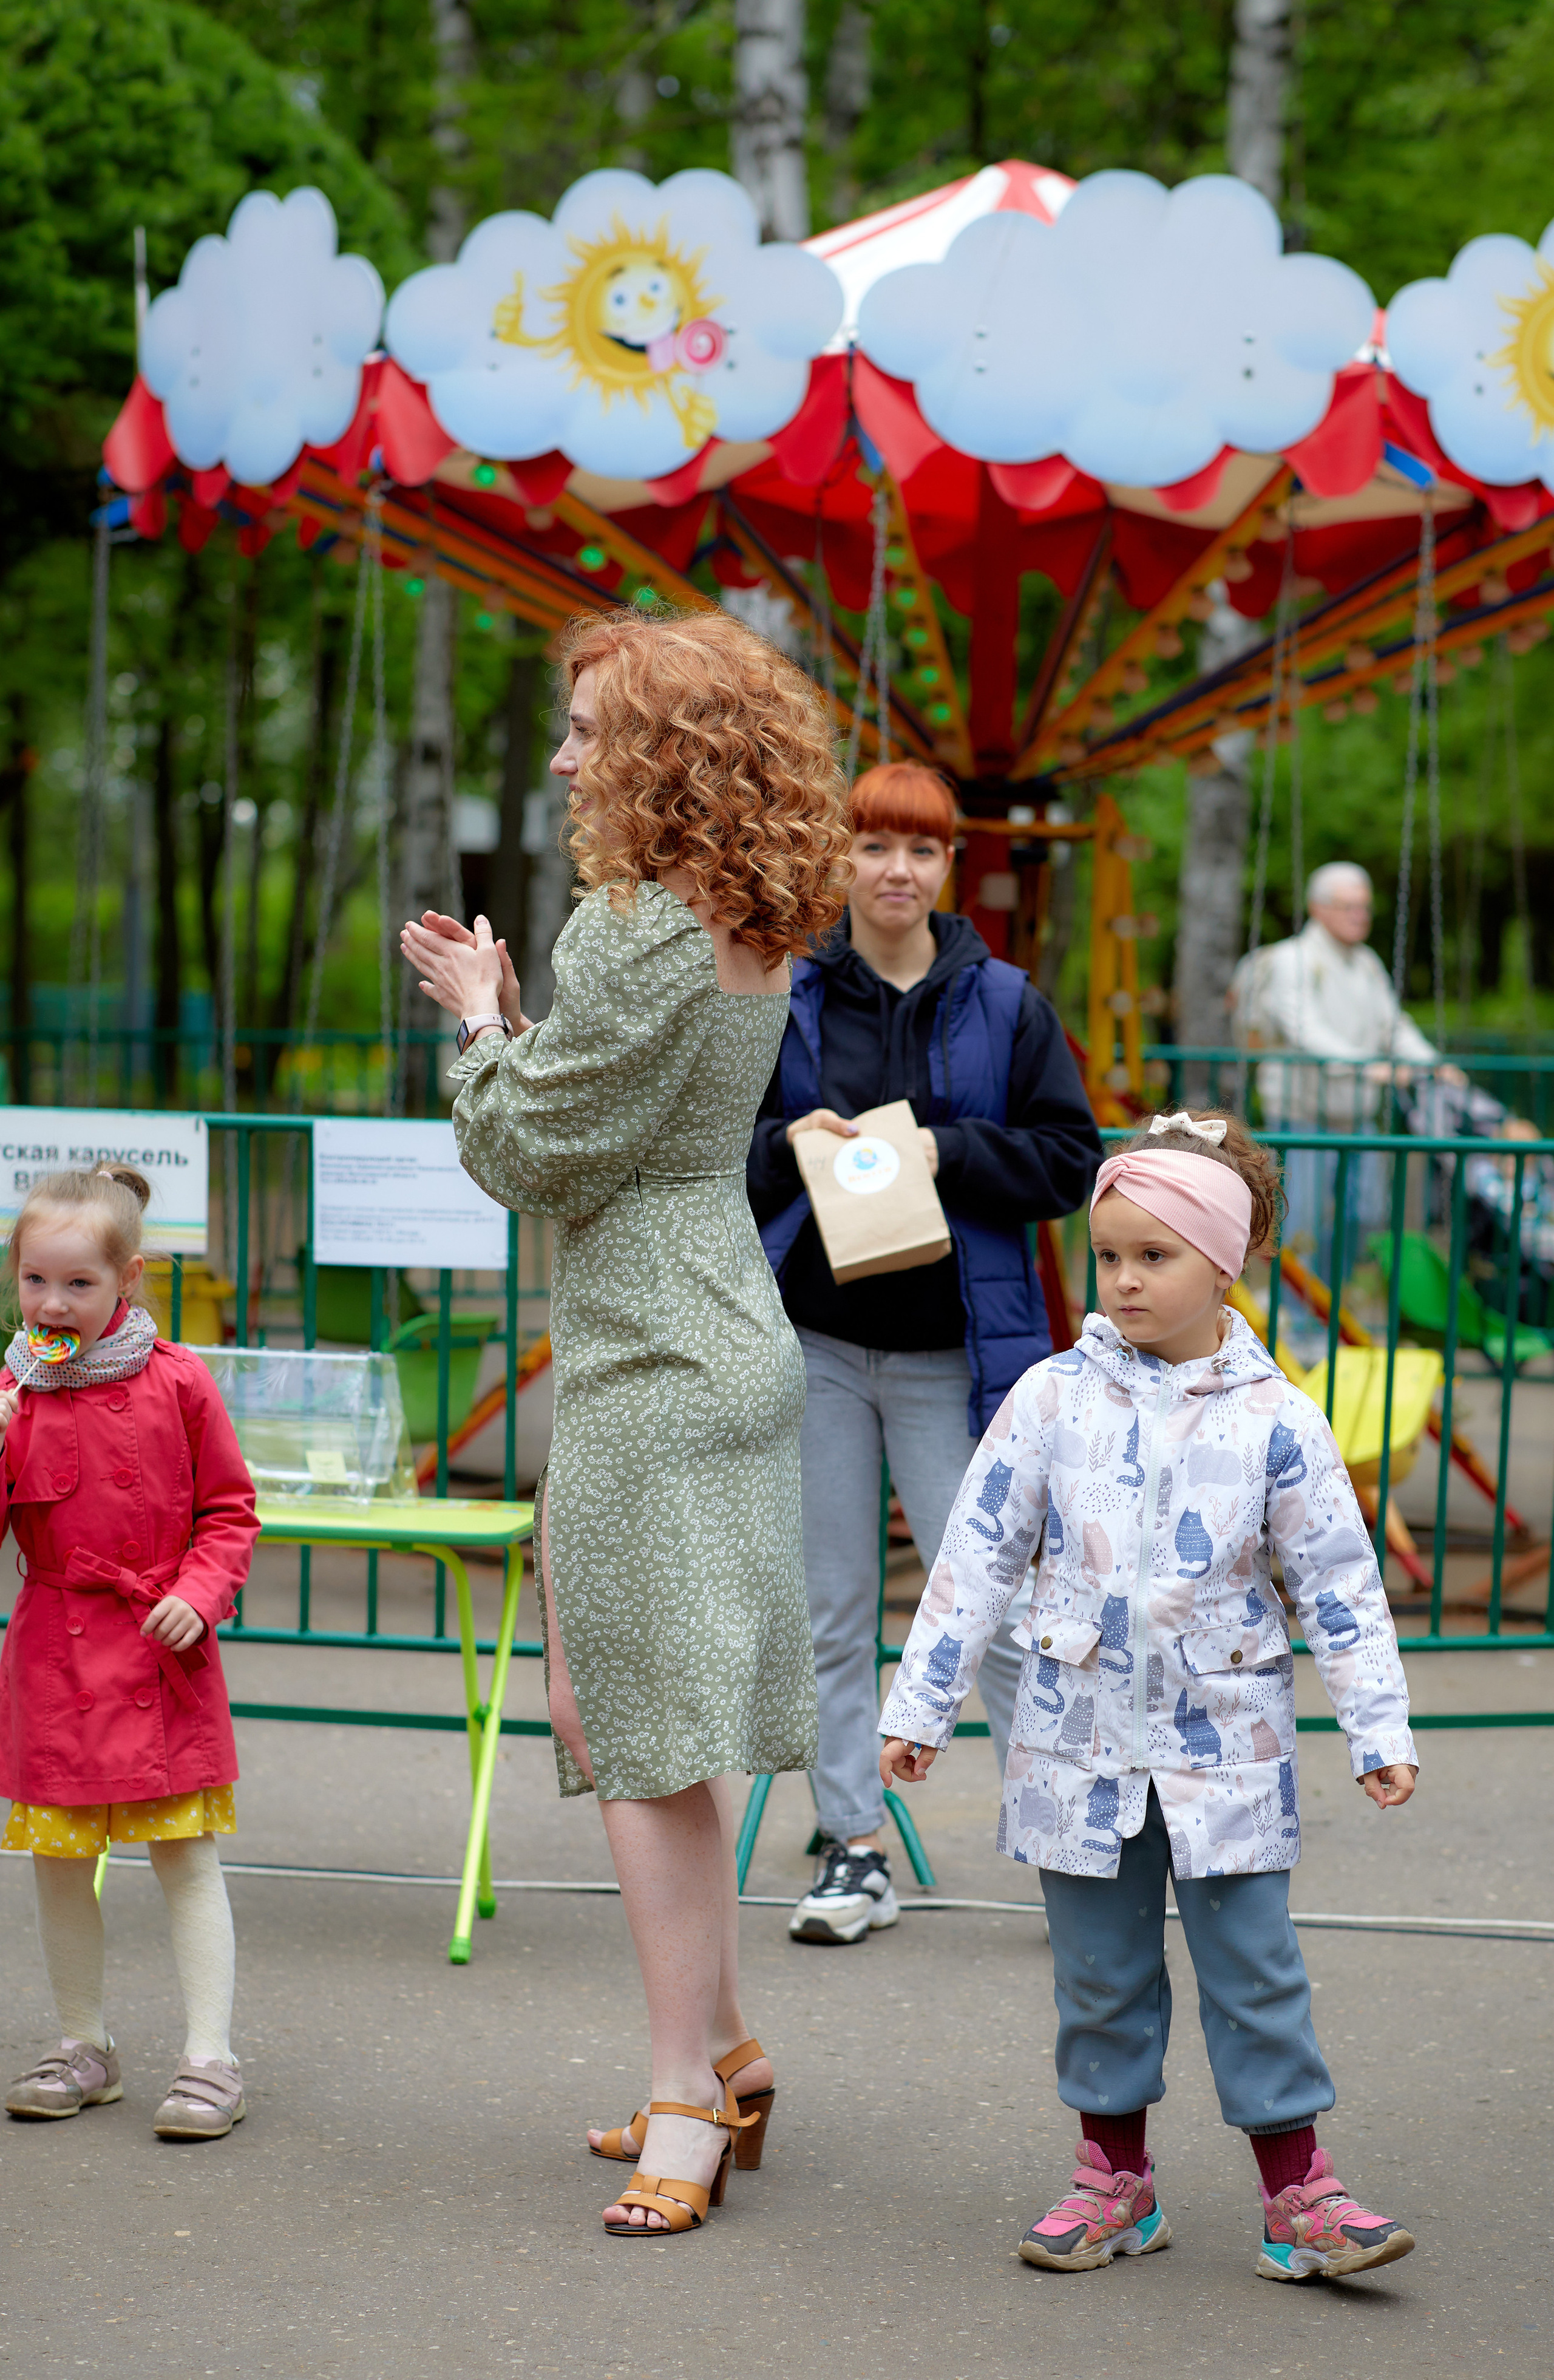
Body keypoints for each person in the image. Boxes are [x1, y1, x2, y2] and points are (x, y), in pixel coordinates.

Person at [401, 607, 850, 2239]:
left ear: (662, 751)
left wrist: (475, 1019)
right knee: (645, 1725)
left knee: (637, 1739)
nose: (568, 756)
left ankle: (686, 2088)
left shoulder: (640, 927)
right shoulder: (741, 916)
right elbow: (601, 1118)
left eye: (593, 729)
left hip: (650, 1354)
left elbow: (533, 1156)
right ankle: (721, 2051)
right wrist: (526, 1033)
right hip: (709, 1323)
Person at [879, 1108, 1420, 2282]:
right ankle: (1113, 2182)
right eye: (1109, 1253)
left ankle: (1301, 2197)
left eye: (1154, 1256)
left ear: (1223, 1261)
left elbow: (1339, 1584)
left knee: (1256, 1974)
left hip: (1227, 1756)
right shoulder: (1047, 1401)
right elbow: (973, 1560)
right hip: (1072, 1751)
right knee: (1100, 1980)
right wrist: (919, 1708)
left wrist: (1377, 1726)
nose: (1123, 1279)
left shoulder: (1280, 1419)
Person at [745, 761, 1101, 1946]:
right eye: (872, 845)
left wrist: (949, 1152)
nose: (895, 871)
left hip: (959, 1355)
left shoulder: (1004, 1002)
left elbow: (1067, 1160)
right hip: (820, 1346)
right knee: (833, 1611)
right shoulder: (785, 995)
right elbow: (723, 1147)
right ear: (836, 856)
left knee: (992, 1608)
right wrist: (787, 1143)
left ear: (947, 866)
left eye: (921, 849)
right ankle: (854, 1848)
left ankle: (1060, 1844)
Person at [0, 1166, 257, 2141]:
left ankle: (210, 2058)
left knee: (184, 1859)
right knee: (59, 1862)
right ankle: (84, 2045)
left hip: (159, 1654)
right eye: (34, 1282)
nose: (52, 1304)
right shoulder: (14, 1387)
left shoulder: (181, 1381)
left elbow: (230, 1512)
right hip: (54, 1663)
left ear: (129, 1280)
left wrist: (200, 1593)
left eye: (77, 1285)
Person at [1231, 860, 1464, 1273]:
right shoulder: (1292, 959)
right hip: (1303, 1114)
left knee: (1366, 1212)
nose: (1359, 916)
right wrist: (1365, 1067)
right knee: (1300, 1215)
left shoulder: (1366, 963)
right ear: (1319, 908)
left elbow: (1393, 1025)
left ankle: (1336, 1300)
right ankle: (1300, 1314)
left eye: (1364, 907)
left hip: (1357, 1115)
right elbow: (1304, 1028)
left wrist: (1432, 1064)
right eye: (1348, 906)